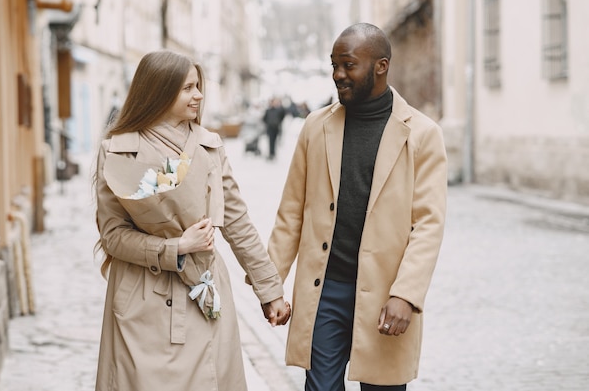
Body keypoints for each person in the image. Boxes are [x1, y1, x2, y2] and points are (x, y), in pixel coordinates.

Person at [93, 50, 291, 391]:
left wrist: (269, 290)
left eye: (198, 86)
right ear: (158, 91)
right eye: (188, 88)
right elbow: (112, 236)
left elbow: (238, 222)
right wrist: (175, 247)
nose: (199, 95)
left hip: (203, 291)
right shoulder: (117, 151)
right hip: (142, 299)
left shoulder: (209, 146)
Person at [267, 23, 447, 390]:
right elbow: (290, 213)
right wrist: (270, 285)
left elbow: (428, 224)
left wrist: (405, 295)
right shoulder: (315, 127)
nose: (338, 75)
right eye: (334, 65)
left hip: (385, 294)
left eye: (349, 65)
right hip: (323, 290)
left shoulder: (423, 134)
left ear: (381, 66)